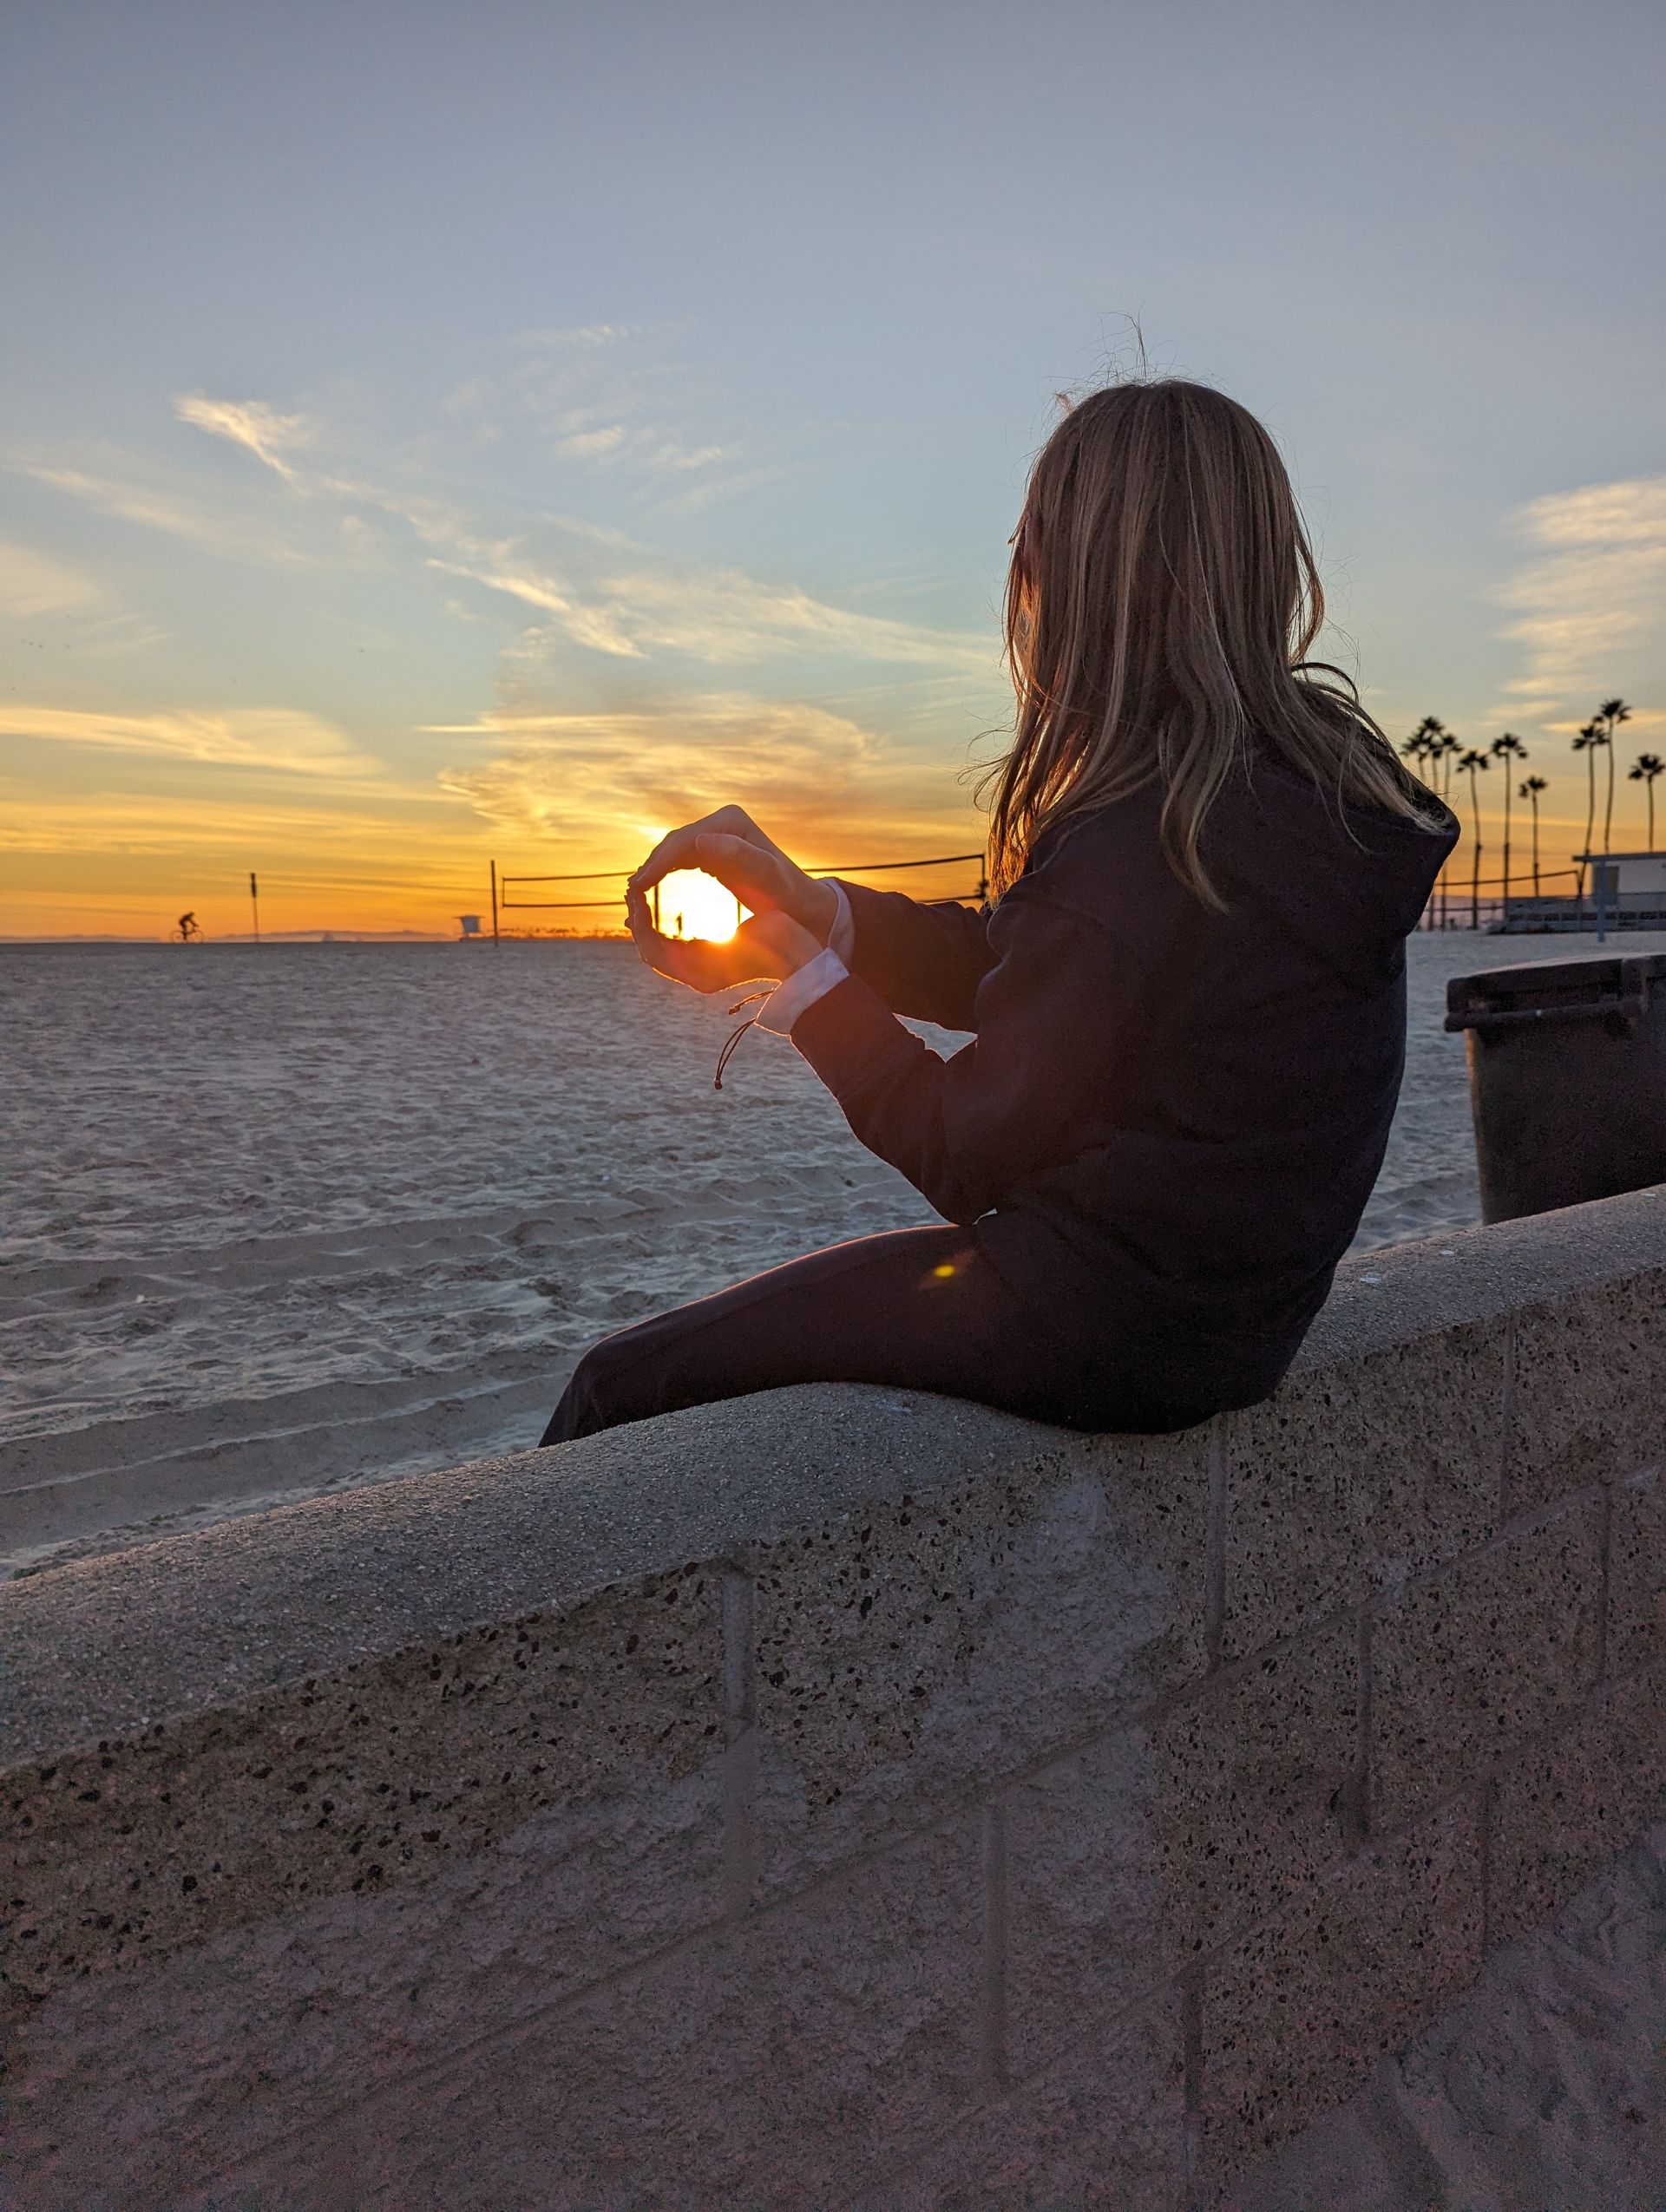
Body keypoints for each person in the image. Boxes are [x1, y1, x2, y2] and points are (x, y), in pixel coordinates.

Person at [540, 378, 1458, 1446]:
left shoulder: (1140, 837)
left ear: (1074, 582)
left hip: (1107, 1326)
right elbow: (1048, 973)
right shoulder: (1304, 805)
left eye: (1031, 549)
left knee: (623, 1384)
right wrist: (822, 911)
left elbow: (962, 1152)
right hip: (1240, 1327)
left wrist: (807, 987)